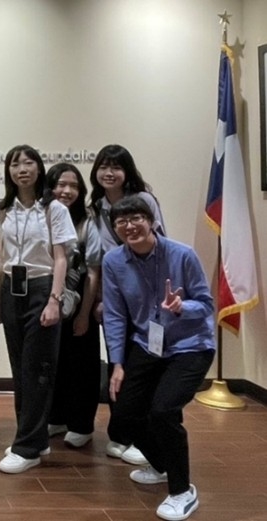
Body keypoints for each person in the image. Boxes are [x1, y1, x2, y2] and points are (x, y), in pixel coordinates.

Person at [103, 195, 214, 521]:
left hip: (191, 345)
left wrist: (181, 307)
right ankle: (162, 464)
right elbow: (114, 314)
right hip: (148, 344)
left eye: (136, 218)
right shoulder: (113, 261)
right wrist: (117, 363)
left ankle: (182, 491)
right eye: (121, 221)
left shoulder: (182, 254)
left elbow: (206, 304)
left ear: (151, 221)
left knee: (163, 411)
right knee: (124, 414)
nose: (129, 226)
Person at [0, 145, 76, 474]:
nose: (22, 169)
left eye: (28, 162)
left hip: (41, 288)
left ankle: (27, 448)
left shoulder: (53, 209)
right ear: (8, 171)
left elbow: (61, 258)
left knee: (38, 369)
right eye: (15, 164)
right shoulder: (2, 209)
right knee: (21, 368)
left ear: (39, 168)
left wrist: (54, 300)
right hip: (11, 289)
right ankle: (33, 438)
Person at [89, 144, 166, 466]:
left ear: (127, 170)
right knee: (117, 363)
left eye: (116, 167)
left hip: (147, 296)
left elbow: (160, 246)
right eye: (103, 166)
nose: (109, 173)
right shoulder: (96, 206)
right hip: (114, 297)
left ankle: (145, 435)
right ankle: (121, 433)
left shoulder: (144, 199)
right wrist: (100, 300)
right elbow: (99, 259)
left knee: (145, 366)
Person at [44, 163, 102, 448]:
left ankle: (81, 424)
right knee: (53, 361)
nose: (67, 191)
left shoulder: (87, 221)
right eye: (60, 185)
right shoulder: (41, 215)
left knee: (82, 364)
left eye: (74, 186)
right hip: (47, 296)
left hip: (78, 297)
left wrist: (84, 314)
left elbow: (92, 271)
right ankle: (56, 417)